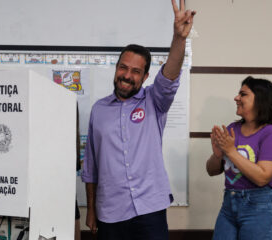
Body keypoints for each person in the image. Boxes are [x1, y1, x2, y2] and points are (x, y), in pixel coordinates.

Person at [81, 0, 195, 239]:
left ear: (144, 77)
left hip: (150, 210)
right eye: (123, 68)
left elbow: (170, 75)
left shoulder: (155, 101)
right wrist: (91, 209)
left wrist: (179, 38)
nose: (127, 75)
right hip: (110, 213)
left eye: (135, 71)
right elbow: (91, 167)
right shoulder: (98, 110)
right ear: (116, 69)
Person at [206, 76, 272, 240]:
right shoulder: (232, 129)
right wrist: (217, 155)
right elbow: (212, 170)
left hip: (260, 206)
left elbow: (262, 177)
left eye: (243, 94)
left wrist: (230, 151)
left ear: (260, 100)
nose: (236, 98)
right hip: (230, 203)